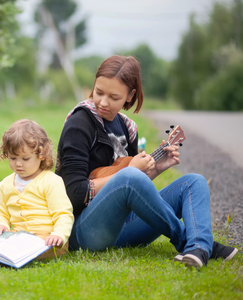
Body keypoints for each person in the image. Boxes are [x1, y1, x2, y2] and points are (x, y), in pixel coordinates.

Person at [56, 55, 238, 269]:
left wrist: (156, 169)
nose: (103, 102)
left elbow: (130, 189)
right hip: (85, 232)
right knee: (129, 176)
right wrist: (129, 174)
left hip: (124, 228)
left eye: (114, 97)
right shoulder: (79, 124)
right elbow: (74, 193)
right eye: (99, 92)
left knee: (193, 182)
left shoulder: (127, 128)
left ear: (129, 95)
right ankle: (192, 243)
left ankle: (199, 247)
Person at [0, 119, 74, 272]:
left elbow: (63, 213)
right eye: (13, 158)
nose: (18, 164)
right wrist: (0, 224)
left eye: (25, 159)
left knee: (24, 250)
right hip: (17, 237)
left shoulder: (51, 181)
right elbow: (1, 212)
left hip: (48, 240)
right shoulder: (6, 184)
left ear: (41, 155)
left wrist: (59, 235)